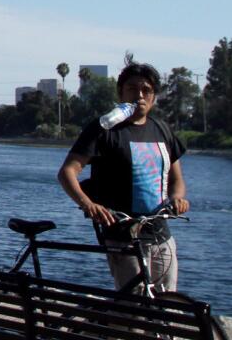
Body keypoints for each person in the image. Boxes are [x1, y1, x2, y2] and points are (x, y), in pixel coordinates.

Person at [57, 62, 190, 294]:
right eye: (132, 89)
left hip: (160, 233)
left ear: (154, 97)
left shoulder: (162, 130)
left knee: (167, 300)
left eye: (146, 90)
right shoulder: (104, 130)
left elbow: (176, 179)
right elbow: (67, 172)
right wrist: (88, 204)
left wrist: (178, 198)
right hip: (122, 235)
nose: (139, 95)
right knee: (133, 304)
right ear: (121, 93)